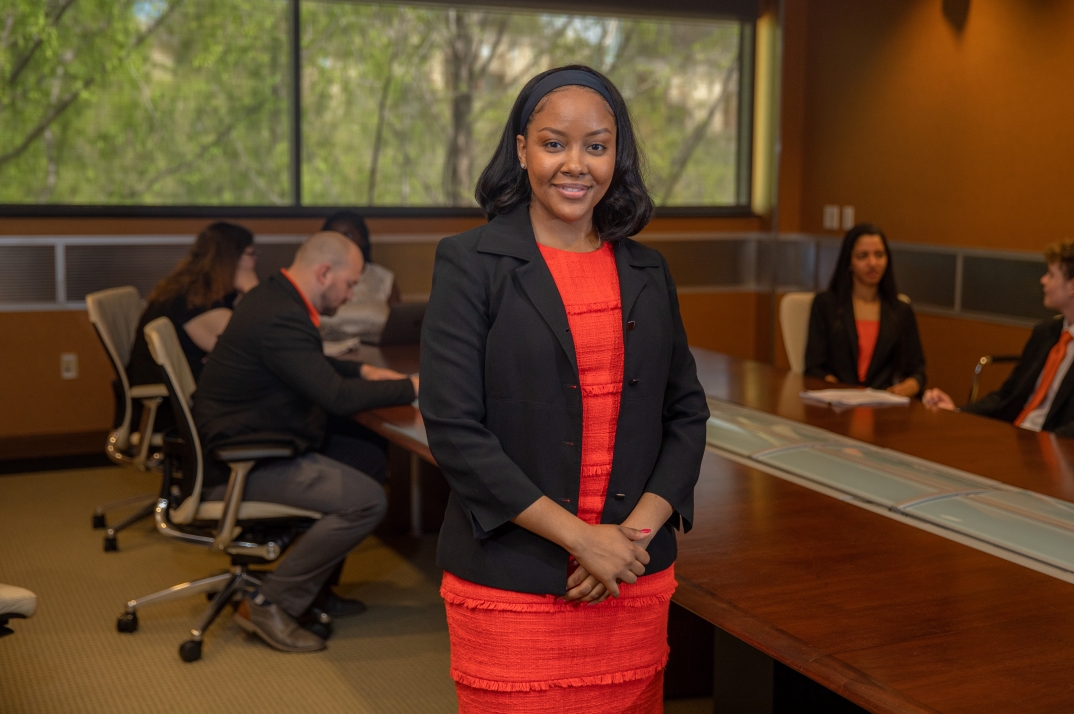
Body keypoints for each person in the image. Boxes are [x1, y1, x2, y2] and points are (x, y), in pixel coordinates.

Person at [420, 65, 709, 713]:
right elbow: (455, 431)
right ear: (522, 149)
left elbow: (686, 414)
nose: (575, 165)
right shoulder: (470, 264)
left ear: (617, 155)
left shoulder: (646, 268)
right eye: (554, 143)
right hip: (517, 577)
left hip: (630, 577)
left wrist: (626, 541)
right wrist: (583, 539)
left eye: (596, 146)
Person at [191, 231, 418, 653]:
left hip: (257, 440)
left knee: (365, 454)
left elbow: (308, 365)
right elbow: (334, 396)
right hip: (240, 463)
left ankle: (315, 589)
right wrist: (410, 387)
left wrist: (363, 373)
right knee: (366, 500)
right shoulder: (282, 315)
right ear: (324, 272)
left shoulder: (275, 299)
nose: (350, 295)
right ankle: (269, 602)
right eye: (349, 284)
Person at [923, 237, 1074, 448]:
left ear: (1073, 287)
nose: (1043, 280)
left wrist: (1032, 444)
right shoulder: (1046, 333)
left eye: (1051, 274)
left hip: (1058, 458)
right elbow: (1008, 397)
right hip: (1015, 443)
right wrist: (957, 413)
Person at [127, 221, 258, 389]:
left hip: (182, 385)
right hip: (177, 398)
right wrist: (253, 291)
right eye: (251, 253)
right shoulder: (195, 302)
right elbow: (255, 345)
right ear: (232, 258)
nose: (255, 260)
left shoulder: (193, 287)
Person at [804, 223, 926, 397]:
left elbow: (917, 371)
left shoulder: (900, 310)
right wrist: (833, 387)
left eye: (879, 255)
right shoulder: (826, 305)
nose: (872, 263)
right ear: (849, 261)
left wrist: (909, 386)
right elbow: (813, 367)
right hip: (837, 405)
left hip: (884, 406)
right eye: (863, 256)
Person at [319, 210, 399, 341]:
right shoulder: (318, 279)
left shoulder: (383, 278)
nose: (341, 243)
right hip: (326, 354)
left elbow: (399, 326)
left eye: (348, 236)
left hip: (379, 354)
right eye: (335, 237)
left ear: (363, 240)